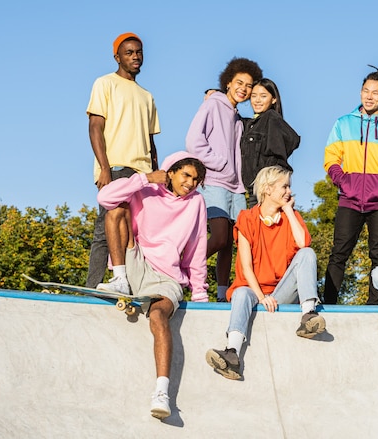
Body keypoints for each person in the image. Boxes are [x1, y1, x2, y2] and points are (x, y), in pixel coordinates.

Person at [96, 151, 209, 419]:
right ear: (170, 172)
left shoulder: (196, 203)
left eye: (196, 179)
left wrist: (200, 292)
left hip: (167, 278)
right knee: (117, 209)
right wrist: (143, 179)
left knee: (158, 316)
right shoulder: (146, 189)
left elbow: (197, 247)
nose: (191, 183)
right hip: (137, 261)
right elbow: (104, 198)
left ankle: (161, 392)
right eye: (186, 175)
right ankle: (120, 280)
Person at [205, 166, 326, 380]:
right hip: (253, 291)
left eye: (289, 186)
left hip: (280, 292)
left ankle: (308, 315)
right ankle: (232, 354)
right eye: (284, 186)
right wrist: (261, 297)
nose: (289, 191)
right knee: (241, 293)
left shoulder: (292, 217)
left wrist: (288, 211)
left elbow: (303, 244)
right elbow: (246, 267)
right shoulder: (247, 218)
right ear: (268, 189)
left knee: (307, 253)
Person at [322, 65, 378, 305]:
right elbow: (331, 158)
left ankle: (373, 307)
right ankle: (329, 305)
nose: (369, 96)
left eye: (375, 92)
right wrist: (344, 181)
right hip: (350, 198)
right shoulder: (343, 123)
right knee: (339, 253)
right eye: (365, 91)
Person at [85, 32, 160, 288]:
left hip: (143, 174)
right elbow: (95, 127)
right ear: (117, 57)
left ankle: (135, 282)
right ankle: (92, 287)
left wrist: (157, 176)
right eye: (129, 53)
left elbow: (151, 143)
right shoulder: (104, 83)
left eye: (139, 52)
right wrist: (104, 168)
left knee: (137, 231)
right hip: (115, 168)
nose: (135, 57)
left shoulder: (147, 96)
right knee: (107, 228)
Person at [186, 57, 263, 302]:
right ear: (228, 83)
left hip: (237, 187)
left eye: (249, 85)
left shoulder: (238, 118)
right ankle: (183, 269)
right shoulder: (213, 105)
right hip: (216, 181)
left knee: (231, 242)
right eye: (239, 82)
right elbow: (194, 142)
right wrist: (220, 163)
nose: (244, 88)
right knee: (218, 237)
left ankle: (222, 293)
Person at [240, 78, 300, 207]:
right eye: (253, 96)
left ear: (273, 99)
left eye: (263, 96)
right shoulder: (249, 124)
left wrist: (270, 179)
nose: (257, 100)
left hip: (265, 189)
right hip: (249, 190)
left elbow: (292, 139)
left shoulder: (271, 118)